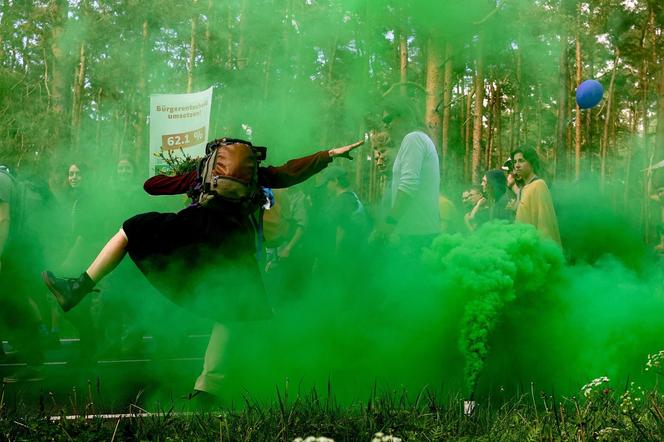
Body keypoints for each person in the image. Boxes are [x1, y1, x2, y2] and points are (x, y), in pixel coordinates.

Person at [372, 96, 440, 255]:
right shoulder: (417, 139)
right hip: (419, 233)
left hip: (416, 236)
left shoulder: (413, 138)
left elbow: (409, 185)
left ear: (406, 116)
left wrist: (389, 223)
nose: (385, 125)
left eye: (389, 119)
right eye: (383, 121)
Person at [0, 165, 48, 382]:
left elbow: (3, 219)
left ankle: (34, 364)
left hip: (10, 252)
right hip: (13, 251)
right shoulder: (6, 178)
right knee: (12, 304)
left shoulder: (1, 180)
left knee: (15, 306)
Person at [511, 146, 561, 246]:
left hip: (535, 250)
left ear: (531, 163)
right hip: (523, 249)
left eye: (521, 161)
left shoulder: (539, 185)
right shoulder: (524, 188)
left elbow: (545, 224)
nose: (517, 165)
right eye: (515, 161)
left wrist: (544, 255)